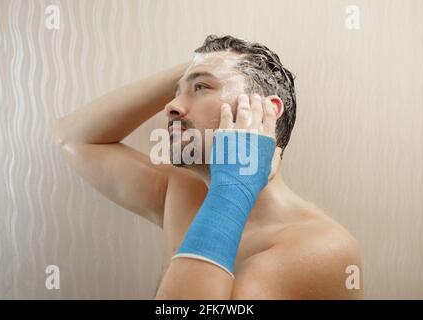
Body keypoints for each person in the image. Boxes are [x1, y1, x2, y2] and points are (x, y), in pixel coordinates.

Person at [53, 35, 363, 299]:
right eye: (176, 93)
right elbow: (75, 138)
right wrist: (195, 67)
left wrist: (233, 189)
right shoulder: (183, 193)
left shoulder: (323, 249)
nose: (170, 107)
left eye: (201, 88)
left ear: (265, 110)